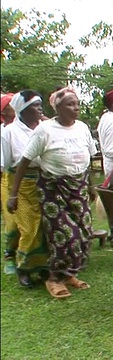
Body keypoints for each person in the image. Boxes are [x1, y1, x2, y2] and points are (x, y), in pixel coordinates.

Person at [8, 87, 97, 299]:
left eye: (76, 103)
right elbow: (24, 163)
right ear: (57, 107)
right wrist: (13, 194)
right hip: (53, 190)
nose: (75, 108)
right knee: (65, 236)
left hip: (79, 188)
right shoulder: (45, 130)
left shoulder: (82, 128)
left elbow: (90, 160)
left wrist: (91, 186)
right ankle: (54, 278)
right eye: (69, 104)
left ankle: (68, 274)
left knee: (84, 235)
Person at [2, 90, 49, 287]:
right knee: (28, 228)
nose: (39, 110)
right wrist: (10, 195)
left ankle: (43, 266)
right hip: (20, 184)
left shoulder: (46, 128)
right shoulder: (9, 132)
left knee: (45, 226)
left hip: (44, 182)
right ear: (22, 110)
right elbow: (5, 164)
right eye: (34, 106)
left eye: (40, 105)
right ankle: (24, 267)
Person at [1, 93, 19, 274]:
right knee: (12, 221)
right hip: (9, 177)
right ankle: (9, 256)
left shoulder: (32, 127)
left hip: (32, 180)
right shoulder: (4, 131)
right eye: (9, 105)